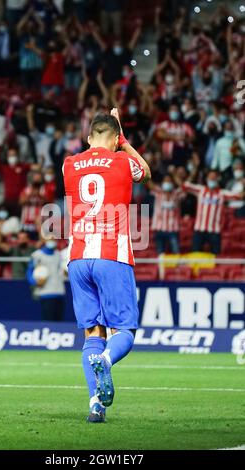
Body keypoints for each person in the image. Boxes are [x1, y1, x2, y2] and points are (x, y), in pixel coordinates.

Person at [63, 110, 151, 423]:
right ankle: (107, 358)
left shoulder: (69, 164)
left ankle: (95, 405)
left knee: (91, 333)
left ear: (88, 137)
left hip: (77, 258)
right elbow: (146, 171)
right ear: (114, 139)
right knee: (124, 330)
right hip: (112, 255)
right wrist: (125, 143)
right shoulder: (123, 161)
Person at [182, 171, 244, 254]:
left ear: (217, 179)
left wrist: (243, 184)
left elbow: (239, 196)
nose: (212, 179)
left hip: (215, 230)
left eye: (214, 178)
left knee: (216, 257)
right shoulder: (200, 190)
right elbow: (185, 186)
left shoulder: (222, 194)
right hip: (199, 229)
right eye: (210, 177)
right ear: (207, 179)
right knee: (195, 255)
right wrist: (193, 173)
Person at [27, 233, 65, 321]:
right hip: (46, 293)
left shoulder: (59, 255)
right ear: (44, 240)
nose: (52, 241)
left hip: (60, 292)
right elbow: (29, 271)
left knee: (59, 321)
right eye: (49, 239)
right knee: (48, 321)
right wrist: (35, 282)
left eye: (53, 239)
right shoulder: (37, 255)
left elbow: (62, 271)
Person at [149, 174, 183, 254]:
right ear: (162, 182)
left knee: (176, 253)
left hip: (173, 229)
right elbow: (148, 183)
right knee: (160, 254)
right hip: (159, 228)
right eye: (165, 181)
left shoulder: (177, 194)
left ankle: (177, 267)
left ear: (172, 183)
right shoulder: (158, 192)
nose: (167, 182)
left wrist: (174, 174)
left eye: (169, 181)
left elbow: (184, 186)